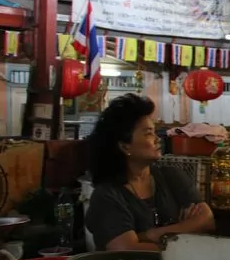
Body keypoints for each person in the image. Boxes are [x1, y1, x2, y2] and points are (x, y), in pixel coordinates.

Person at [85, 94, 215, 251]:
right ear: (125, 146)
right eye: (148, 133)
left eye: (155, 132)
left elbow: (206, 220)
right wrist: (185, 230)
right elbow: (126, 249)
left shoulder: (171, 175)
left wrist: (150, 235)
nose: (157, 139)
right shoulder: (107, 195)